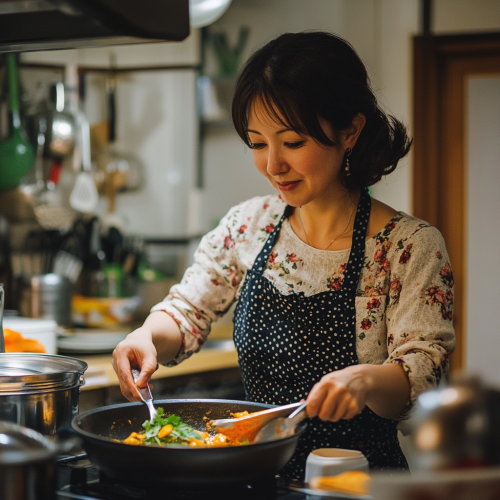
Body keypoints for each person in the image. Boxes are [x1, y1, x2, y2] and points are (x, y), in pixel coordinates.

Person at [112, 31, 455, 478]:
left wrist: (366, 380)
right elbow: (185, 312)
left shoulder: (408, 246)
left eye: (293, 142)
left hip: (356, 481)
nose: (273, 165)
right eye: (257, 143)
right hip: (254, 473)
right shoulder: (246, 226)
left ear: (350, 131)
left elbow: (423, 371)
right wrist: (145, 338)